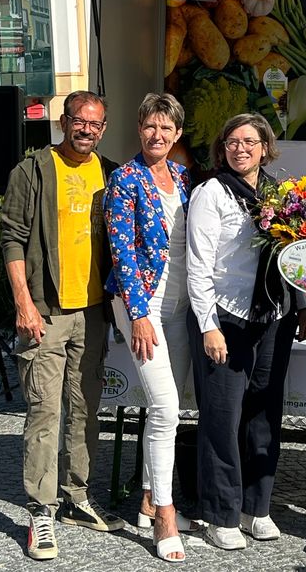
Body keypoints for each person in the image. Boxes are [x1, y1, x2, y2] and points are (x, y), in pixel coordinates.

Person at [1, 90, 125, 562]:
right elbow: (11, 237)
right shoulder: (32, 169)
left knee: (85, 409)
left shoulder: (111, 173)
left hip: (93, 314)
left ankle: (77, 498)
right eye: (79, 121)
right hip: (46, 312)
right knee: (44, 413)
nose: (86, 130)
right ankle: (41, 510)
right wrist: (24, 304)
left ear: (103, 127)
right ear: (63, 121)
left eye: (95, 124)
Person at [186, 113, 306, 551]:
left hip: (273, 316)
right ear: (222, 148)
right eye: (232, 141)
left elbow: (292, 256)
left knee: (264, 414)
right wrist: (208, 326)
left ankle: (256, 508)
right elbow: (198, 266)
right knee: (222, 420)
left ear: (265, 147)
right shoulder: (210, 193)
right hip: (226, 317)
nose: (241, 148)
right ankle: (220, 513)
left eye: (250, 141)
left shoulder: (280, 194)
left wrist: (302, 307)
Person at [103, 92, 196, 563]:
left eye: (166, 128)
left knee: (166, 408)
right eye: (149, 126)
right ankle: (164, 512)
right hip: (142, 302)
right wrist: (138, 313)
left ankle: (144, 496)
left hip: (179, 303)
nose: (157, 135)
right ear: (139, 129)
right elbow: (120, 250)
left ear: (177, 134)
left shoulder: (182, 177)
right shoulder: (125, 178)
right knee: (165, 407)